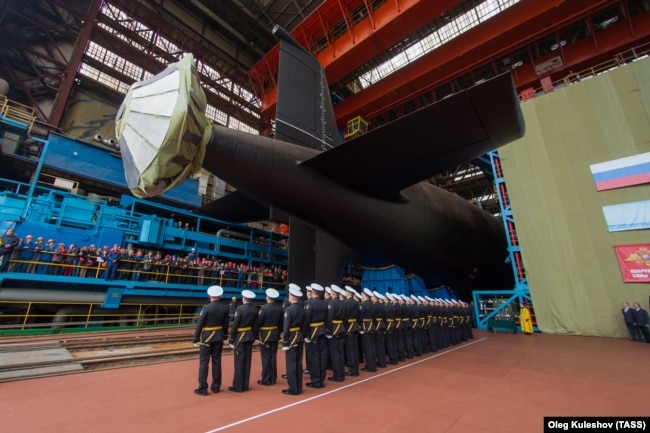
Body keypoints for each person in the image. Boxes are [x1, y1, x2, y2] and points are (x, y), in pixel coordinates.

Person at [192, 285, 229, 396]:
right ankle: (216, 387)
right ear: (220, 296)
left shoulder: (206, 308)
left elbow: (200, 324)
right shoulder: (225, 308)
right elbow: (226, 324)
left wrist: (196, 338)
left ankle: (203, 388)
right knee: (217, 362)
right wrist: (225, 336)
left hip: (207, 337)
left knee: (204, 362)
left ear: (210, 295)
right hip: (219, 336)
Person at [228, 289, 258, 392]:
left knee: (239, 361)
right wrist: (254, 336)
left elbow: (235, 325)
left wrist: (232, 339)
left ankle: (238, 386)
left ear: (244, 299)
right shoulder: (255, 310)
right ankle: (245, 385)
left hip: (240, 337)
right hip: (249, 336)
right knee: (247, 361)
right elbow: (256, 325)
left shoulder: (240, 310)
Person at [303, 283, 328, 388]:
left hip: (313, 331)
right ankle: (321, 377)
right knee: (322, 355)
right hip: (322, 329)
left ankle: (316, 381)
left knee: (314, 357)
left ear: (312, 292)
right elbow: (327, 318)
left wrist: (306, 334)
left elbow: (307, 320)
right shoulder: (324, 303)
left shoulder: (309, 304)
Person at [257, 288, 284, 386]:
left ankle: (266, 379)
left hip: (265, 335)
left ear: (267, 297)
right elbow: (281, 323)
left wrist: (256, 333)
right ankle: (273, 377)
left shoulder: (264, 308)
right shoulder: (280, 308)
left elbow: (259, 322)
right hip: (275, 334)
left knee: (265, 357)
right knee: (273, 356)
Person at [282, 283, 305, 395]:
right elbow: (304, 325)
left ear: (291, 296)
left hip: (291, 337)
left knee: (291, 364)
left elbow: (286, 327)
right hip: (299, 336)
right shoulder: (302, 309)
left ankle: (293, 388)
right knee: (298, 363)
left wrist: (285, 341)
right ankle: (299, 387)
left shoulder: (289, 310)